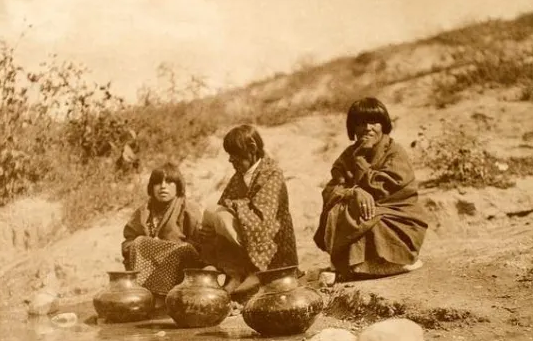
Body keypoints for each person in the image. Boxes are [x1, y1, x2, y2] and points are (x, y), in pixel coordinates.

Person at [314, 97, 428, 281]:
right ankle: (357, 265)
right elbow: (332, 188)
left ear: (383, 125)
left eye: (374, 122)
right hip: (366, 213)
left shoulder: (395, 152)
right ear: (353, 129)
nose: (368, 128)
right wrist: (354, 192)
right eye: (360, 123)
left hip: (397, 216)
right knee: (336, 211)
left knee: (365, 217)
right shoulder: (348, 154)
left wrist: (360, 162)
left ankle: (392, 263)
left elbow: (387, 189)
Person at [200, 125, 298, 297]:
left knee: (218, 214)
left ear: (252, 149)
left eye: (234, 154)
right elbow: (225, 203)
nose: (230, 160)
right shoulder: (240, 176)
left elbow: (263, 215)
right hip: (248, 235)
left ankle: (257, 271)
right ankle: (234, 274)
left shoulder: (271, 173)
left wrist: (229, 208)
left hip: (272, 241)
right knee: (211, 214)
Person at [121, 162, 203, 305]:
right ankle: (146, 295)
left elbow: (200, 244)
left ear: (178, 186)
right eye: (158, 182)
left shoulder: (189, 209)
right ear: (151, 187)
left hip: (180, 270)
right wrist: (141, 246)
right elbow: (129, 240)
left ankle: (166, 297)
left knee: (184, 248)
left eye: (169, 182)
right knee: (139, 242)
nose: (163, 186)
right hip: (145, 266)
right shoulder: (143, 212)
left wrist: (166, 248)